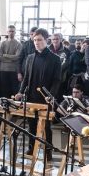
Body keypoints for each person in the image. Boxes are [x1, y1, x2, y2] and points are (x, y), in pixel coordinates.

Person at [15, 28, 61, 160]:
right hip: (31, 97)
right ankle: (31, 147)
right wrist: (20, 92)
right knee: (32, 125)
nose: (37, 42)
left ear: (47, 40)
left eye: (40, 40)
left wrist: (50, 96)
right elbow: (26, 78)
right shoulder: (30, 58)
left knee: (47, 127)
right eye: (35, 40)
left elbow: (57, 80)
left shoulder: (55, 59)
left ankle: (48, 151)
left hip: (46, 99)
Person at [0, 25, 21, 97]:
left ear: (15, 32)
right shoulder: (3, 44)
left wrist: (6, 55)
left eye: (13, 31)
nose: (11, 33)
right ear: (7, 32)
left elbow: (17, 57)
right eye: (10, 31)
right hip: (4, 70)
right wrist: (11, 59)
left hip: (13, 70)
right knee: (4, 90)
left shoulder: (18, 44)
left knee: (14, 90)